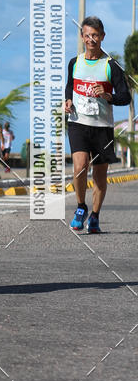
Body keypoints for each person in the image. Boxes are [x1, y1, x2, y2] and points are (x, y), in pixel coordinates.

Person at [65, 16, 130, 233]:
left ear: (102, 36)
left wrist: (108, 95)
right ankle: (81, 207)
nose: (91, 39)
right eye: (87, 35)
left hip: (102, 127)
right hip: (78, 123)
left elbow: (125, 97)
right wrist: (68, 101)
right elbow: (69, 87)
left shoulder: (111, 66)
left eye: (95, 35)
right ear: (82, 37)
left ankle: (95, 216)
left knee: (100, 175)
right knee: (80, 165)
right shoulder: (74, 63)